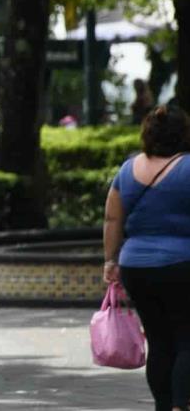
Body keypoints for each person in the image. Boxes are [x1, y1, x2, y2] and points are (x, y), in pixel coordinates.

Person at [103, 106, 190, 411]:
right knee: (185, 339)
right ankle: (181, 405)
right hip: (182, 265)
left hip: (136, 267)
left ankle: (164, 406)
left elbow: (112, 219)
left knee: (159, 340)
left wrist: (110, 261)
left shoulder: (128, 169)